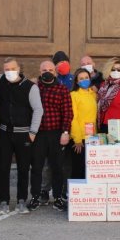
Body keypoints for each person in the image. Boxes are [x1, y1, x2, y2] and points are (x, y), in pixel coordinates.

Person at [0, 57, 43, 215]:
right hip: (5, 133)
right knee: (3, 168)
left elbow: (38, 109)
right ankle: (3, 201)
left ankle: (22, 200)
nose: (9, 72)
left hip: (24, 134)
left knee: (23, 169)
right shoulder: (1, 83)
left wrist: (33, 132)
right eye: (6, 69)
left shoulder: (30, 87)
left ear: (19, 69)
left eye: (12, 68)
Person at [28, 61, 73, 212]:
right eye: (44, 70)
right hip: (38, 134)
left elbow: (67, 113)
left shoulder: (62, 90)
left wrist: (65, 132)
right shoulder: (33, 88)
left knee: (57, 168)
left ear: (55, 72)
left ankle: (58, 198)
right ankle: (35, 197)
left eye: (51, 70)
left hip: (56, 134)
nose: (47, 72)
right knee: (37, 168)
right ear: (40, 72)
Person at [97, 58, 120, 145]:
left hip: (118, 128)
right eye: (113, 69)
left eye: (119, 69)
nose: (116, 71)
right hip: (103, 126)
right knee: (104, 156)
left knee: (117, 157)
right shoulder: (103, 85)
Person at [70, 68, 97, 179]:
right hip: (80, 139)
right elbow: (73, 118)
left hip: (92, 138)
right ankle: (75, 195)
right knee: (78, 168)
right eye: (81, 78)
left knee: (90, 169)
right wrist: (77, 139)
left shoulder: (93, 95)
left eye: (86, 78)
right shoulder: (74, 95)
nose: (84, 80)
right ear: (77, 81)